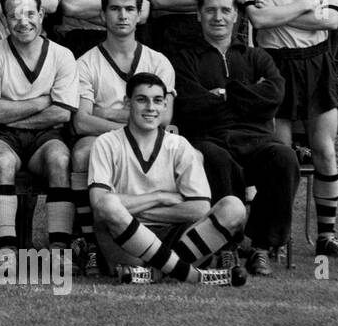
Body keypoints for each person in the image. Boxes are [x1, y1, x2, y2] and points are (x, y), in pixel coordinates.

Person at [242, 0, 338, 260]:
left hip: (317, 62)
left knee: (324, 150)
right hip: (274, 64)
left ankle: (326, 237)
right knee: (281, 156)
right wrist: (307, 5)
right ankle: (276, 238)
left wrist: (280, 13)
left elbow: (330, 21)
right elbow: (258, 22)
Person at [170, 0, 298, 276]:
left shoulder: (257, 57)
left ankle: (260, 248)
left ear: (237, 16)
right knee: (213, 157)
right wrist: (247, 95)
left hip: (257, 141)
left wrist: (224, 93)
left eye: (225, 10)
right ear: (198, 15)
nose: (218, 17)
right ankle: (226, 245)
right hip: (209, 139)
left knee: (284, 157)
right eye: (211, 10)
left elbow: (274, 97)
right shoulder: (184, 59)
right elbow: (190, 103)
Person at [88, 73, 247, 282]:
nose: (150, 108)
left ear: (165, 106)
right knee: (108, 204)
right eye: (142, 99)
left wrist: (128, 205)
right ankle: (191, 275)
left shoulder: (180, 145)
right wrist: (160, 197)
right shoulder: (106, 143)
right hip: (127, 240)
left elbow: (198, 209)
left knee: (234, 207)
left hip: (177, 238)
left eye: (157, 100)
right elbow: (100, 205)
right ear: (128, 103)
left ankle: (153, 273)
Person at [69, 0, 176, 272]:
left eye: (130, 9)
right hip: (103, 138)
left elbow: (165, 118)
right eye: (115, 9)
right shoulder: (85, 63)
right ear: (102, 15)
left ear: (140, 14)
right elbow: (81, 121)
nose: (123, 16)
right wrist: (133, 117)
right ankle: (90, 242)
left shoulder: (158, 61)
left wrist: (106, 111)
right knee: (81, 152)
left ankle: (168, 238)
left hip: (148, 139)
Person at [0, 0, 79, 261]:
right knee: (2, 161)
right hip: (2, 136)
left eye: (30, 13)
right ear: (4, 19)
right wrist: (42, 101)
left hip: (45, 137)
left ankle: (59, 249)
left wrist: (14, 113)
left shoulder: (62, 55)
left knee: (60, 159)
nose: (23, 22)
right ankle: (5, 248)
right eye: (14, 16)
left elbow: (63, 114)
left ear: (42, 14)